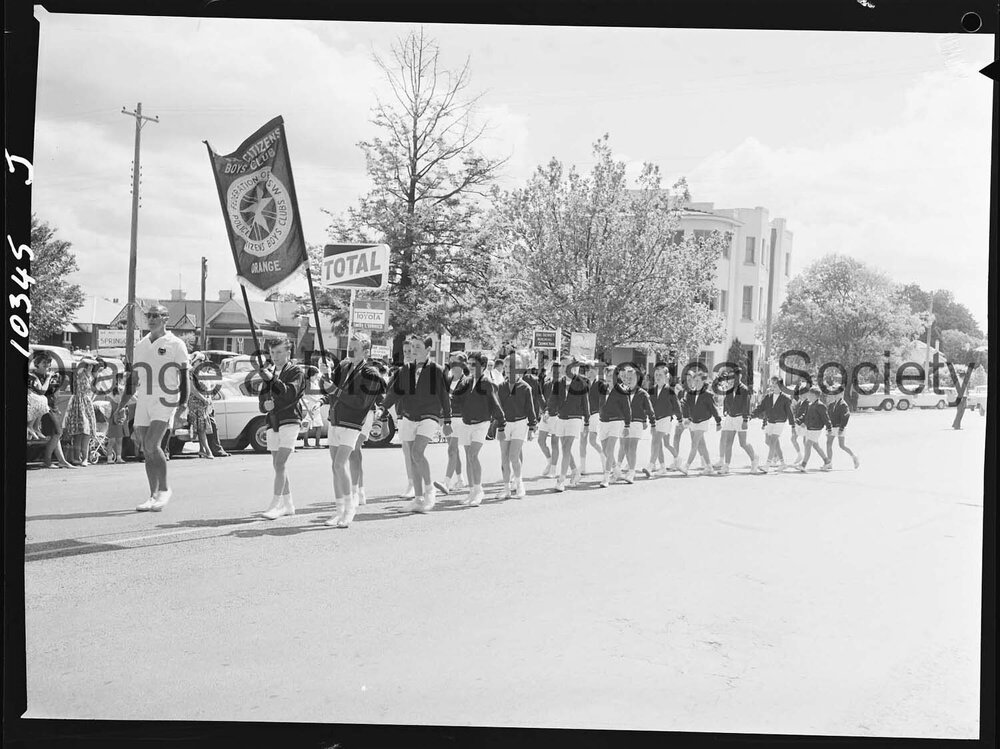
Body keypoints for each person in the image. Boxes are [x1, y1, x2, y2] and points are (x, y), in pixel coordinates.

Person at [114, 304, 190, 511]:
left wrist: (183, 405)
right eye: (149, 315)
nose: (151, 318)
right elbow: (134, 378)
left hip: (167, 397)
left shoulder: (176, 344)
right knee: (145, 448)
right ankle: (152, 495)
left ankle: (165, 490)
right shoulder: (141, 345)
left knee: (152, 444)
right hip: (144, 397)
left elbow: (184, 378)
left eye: (156, 315)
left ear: (166, 318)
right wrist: (121, 405)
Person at [320, 332, 386, 528]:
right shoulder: (344, 367)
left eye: (355, 348)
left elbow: (361, 403)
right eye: (349, 346)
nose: (350, 350)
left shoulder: (371, 373)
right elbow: (329, 390)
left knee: (340, 464)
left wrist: (334, 391)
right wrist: (326, 375)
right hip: (336, 420)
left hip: (352, 423)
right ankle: (339, 510)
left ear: (366, 351)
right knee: (335, 467)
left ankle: (349, 509)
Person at [381, 334, 452, 513]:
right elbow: (395, 393)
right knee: (413, 457)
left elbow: (444, 396)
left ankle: (430, 491)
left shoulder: (437, 369)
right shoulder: (405, 370)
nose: (413, 350)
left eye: (418, 347)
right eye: (412, 346)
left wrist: (448, 420)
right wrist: (382, 408)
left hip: (429, 415)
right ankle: (418, 499)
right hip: (409, 415)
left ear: (428, 350)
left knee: (417, 452)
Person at [257, 336, 307, 519]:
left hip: (290, 420)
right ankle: (288, 504)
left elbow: (290, 394)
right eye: (272, 352)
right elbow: (262, 400)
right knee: (278, 465)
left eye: (279, 352)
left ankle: (275, 504)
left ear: (288, 352)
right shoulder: (268, 372)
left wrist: (272, 380)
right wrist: (265, 406)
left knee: (280, 463)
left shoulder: (296, 372)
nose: (275, 356)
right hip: (273, 421)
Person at [456, 352, 507, 506]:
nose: (470, 367)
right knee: (468, 457)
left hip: (481, 423)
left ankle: (479, 491)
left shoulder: (488, 383)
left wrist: (502, 424)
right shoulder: (465, 382)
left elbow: (496, 405)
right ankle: (472, 491)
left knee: (473, 455)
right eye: (469, 364)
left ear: (483, 366)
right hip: (466, 423)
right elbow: (455, 400)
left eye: (474, 364)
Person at [497, 350, 537, 499]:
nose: (508, 369)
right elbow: (498, 408)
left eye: (512, 366)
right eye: (506, 366)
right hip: (505, 424)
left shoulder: (526, 387)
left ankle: (519, 484)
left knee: (514, 456)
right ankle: (506, 488)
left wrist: (532, 427)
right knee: (504, 457)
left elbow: (530, 409)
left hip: (520, 424)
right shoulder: (500, 386)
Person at [28, 353, 75, 469]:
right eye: (44, 363)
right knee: (58, 432)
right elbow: (40, 393)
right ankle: (48, 460)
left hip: (52, 407)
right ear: (37, 364)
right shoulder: (34, 376)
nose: (47, 365)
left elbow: (54, 392)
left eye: (48, 363)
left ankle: (61, 460)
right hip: (44, 408)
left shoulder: (50, 376)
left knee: (56, 435)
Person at [550, 356, 590, 492]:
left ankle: (561, 479)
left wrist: (587, 421)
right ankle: (575, 471)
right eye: (561, 366)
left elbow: (585, 402)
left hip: (575, 418)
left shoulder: (581, 382)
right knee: (564, 448)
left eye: (565, 365)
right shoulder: (558, 382)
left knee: (566, 448)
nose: (562, 368)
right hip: (561, 418)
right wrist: (548, 413)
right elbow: (553, 400)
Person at [717, 366, 764, 475]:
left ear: (740, 376)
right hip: (730, 417)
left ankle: (754, 459)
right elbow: (727, 400)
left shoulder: (744, 389)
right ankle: (726, 466)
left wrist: (745, 420)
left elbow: (746, 405)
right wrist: (725, 410)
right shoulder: (729, 388)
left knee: (743, 443)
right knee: (728, 442)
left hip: (740, 417)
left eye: (736, 376)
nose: (734, 378)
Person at [387, 339, 418, 498]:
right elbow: (390, 392)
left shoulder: (423, 371)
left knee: (416, 452)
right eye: (404, 351)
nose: (406, 354)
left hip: (419, 416)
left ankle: (420, 483)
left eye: (410, 351)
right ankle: (412, 483)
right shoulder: (400, 372)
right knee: (407, 450)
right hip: (402, 414)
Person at [676, 369, 722, 476]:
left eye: (698, 381)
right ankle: (709, 467)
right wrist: (686, 418)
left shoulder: (707, 395)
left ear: (703, 382)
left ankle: (686, 466)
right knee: (702, 446)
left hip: (703, 422)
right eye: (694, 381)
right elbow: (686, 406)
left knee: (694, 443)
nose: (695, 383)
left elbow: (713, 409)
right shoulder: (690, 393)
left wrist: (718, 422)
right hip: (694, 422)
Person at [751, 376, 798, 470]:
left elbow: (789, 412)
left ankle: (767, 465)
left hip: (780, 422)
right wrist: (751, 415)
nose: (773, 385)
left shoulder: (785, 398)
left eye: (775, 383)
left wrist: (793, 425)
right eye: (772, 383)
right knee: (769, 441)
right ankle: (783, 463)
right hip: (770, 421)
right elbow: (760, 408)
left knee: (773, 442)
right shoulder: (768, 397)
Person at [620, 365, 655, 482]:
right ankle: (631, 468)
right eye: (627, 378)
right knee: (625, 447)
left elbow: (650, 410)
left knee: (631, 447)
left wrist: (652, 423)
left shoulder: (643, 394)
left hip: (637, 422)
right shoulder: (622, 392)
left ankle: (631, 472)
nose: (629, 381)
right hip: (625, 423)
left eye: (632, 378)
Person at [597, 365, 631, 487]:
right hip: (603, 421)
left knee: (609, 449)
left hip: (616, 421)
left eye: (611, 375)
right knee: (605, 450)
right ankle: (617, 471)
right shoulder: (603, 388)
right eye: (607, 375)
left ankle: (606, 477)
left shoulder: (623, 388)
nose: (609, 378)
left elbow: (627, 408)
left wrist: (627, 425)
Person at [443, 353, 472, 492]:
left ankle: (449, 482)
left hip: (463, 419)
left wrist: (452, 398)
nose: (452, 365)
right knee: (453, 451)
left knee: (466, 452)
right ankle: (459, 480)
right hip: (450, 419)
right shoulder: (447, 380)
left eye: (455, 362)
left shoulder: (467, 381)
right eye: (450, 362)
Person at [65, 358, 100, 466]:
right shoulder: (81, 375)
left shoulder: (91, 377)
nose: (90, 367)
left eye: (91, 365)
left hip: (86, 402)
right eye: (87, 365)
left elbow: (93, 391)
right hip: (79, 403)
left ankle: (84, 458)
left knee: (86, 431)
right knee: (79, 431)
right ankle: (77, 458)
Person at [649, 363, 681, 475]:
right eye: (656, 375)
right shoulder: (652, 390)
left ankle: (651, 465)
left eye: (660, 375)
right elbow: (648, 406)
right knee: (666, 444)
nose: (657, 377)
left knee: (656, 442)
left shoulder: (669, 391)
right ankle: (675, 459)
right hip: (656, 420)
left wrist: (680, 419)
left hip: (666, 419)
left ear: (667, 377)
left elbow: (677, 406)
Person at [793, 387, 833, 471]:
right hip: (809, 428)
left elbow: (826, 418)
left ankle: (803, 465)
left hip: (816, 429)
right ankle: (827, 462)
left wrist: (829, 429)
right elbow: (805, 415)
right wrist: (798, 421)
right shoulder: (809, 405)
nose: (808, 396)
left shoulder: (820, 406)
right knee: (816, 446)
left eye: (810, 395)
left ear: (815, 396)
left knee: (808, 445)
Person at [584, 363, 613, 475]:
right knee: (589, 441)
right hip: (587, 415)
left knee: (594, 440)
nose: (590, 373)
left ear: (596, 371)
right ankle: (603, 457)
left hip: (597, 415)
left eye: (592, 371)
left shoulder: (601, 384)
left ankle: (606, 461)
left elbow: (603, 401)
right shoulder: (584, 384)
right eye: (588, 371)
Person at [186, 352, 215, 459]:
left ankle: (202, 450)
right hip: (195, 403)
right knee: (201, 428)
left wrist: (208, 399)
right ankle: (208, 451)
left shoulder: (202, 374)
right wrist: (204, 399)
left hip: (203, 404)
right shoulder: (190, 373)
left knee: (201, 427)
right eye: (200, 361)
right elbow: (192, 389)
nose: (202, 363)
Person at [825, 390, 860, 469]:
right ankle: (829, 463)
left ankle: (854, 457)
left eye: (837, 394)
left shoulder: (843, 404)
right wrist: (828, 427)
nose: (835, 395)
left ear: (841, 394)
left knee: (842, 445)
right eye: (834, 394)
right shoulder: (831, 404)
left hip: (839, 427)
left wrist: (841, 428)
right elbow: (828, 416)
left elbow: (846, 416)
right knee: (828, 444)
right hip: (832, 427)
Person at [535, 361, 557, 477]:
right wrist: (544, 411)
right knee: (540, 441)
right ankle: (549, 461)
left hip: (557, 416)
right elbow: (541, 396)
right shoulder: (547, 383)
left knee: (554, 443)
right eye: (554, 370)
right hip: (546, 415)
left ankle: (553, 468)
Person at [105, 373, 128, 464]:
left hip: (120, 414)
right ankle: (110, 458)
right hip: (114, 415)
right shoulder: (112, 392)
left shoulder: (120, 390)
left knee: (119, 439)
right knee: (113, 440)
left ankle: (118, 457)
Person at [300, 365, 325, 448]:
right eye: (314, 376)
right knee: (307, 425)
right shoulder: (307, 384)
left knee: (318, 425)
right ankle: (306, 443)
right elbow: (308, 395)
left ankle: (317, 443)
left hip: (316, 406)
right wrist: (319, 399)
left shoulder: (315, 382)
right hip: (310, 406)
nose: (316, 377)